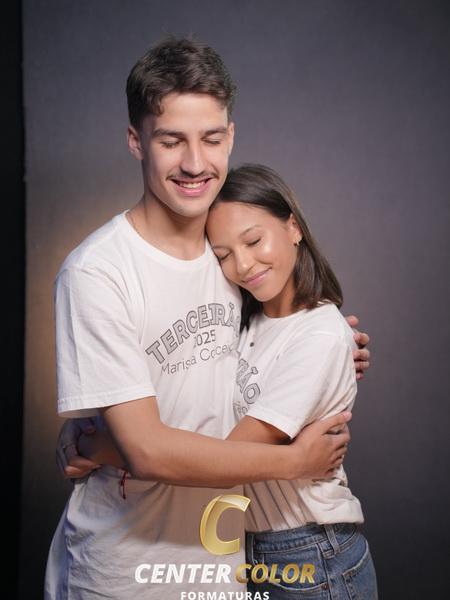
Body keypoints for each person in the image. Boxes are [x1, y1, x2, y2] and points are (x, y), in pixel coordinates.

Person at [46, 37, 370, 599]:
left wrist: (334, 346)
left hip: (224, 568)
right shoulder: (98, 272)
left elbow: (269, 345)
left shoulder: (232, 262)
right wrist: (295, 461)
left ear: (231, 136)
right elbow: (147, 449)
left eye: (212, 139)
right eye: (171, 140)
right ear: (136, 141)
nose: (195, 163)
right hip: (124, 573)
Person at [204, 163, 378, 598]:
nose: (243, 264)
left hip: (311, 552)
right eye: (223, 255)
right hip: (250, 549)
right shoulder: (244, 324)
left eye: (253, 241)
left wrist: (119, 451)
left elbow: (228, 459)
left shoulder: (320, 334)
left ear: (293, 227)